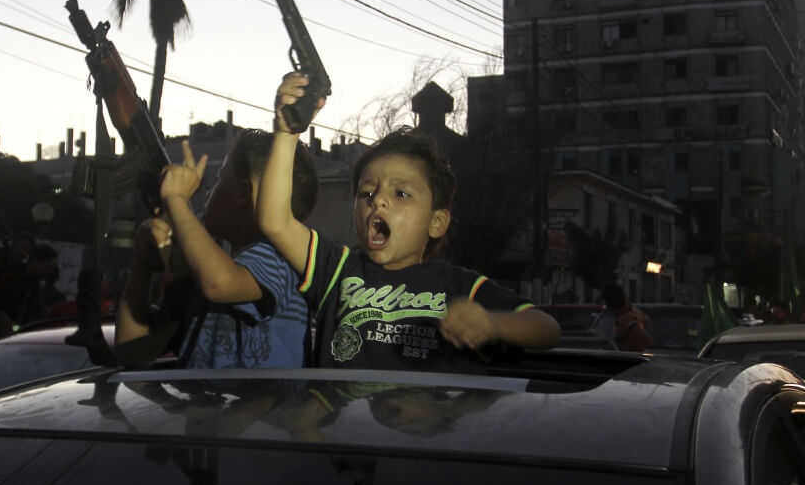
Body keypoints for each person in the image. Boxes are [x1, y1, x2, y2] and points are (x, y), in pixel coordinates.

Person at [257, 72, 560, 370]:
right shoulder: (335, 268)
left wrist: (494, 323)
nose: (378, 200)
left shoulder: (460, 286)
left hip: (425, 419)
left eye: (401, 193)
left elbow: (546, 328)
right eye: (367, 193)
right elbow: (275, 221)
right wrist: (286, 133)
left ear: (437, 222)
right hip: (345, 421)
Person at [116, 128, 319, 369]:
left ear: (243, 193)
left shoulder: (281, 259)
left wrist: (177, 199)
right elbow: (130, 350)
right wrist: (142, 263)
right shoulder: (200, 283)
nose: (210, 191)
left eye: (219, 179)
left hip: (269, 407)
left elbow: (220, 283)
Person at [602, 283, 653, 351]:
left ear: (609, 303)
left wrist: (625, 350)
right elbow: (647, 322)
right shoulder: (633, 311)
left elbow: (647, 340)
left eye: (605, 302)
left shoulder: (626, 321)